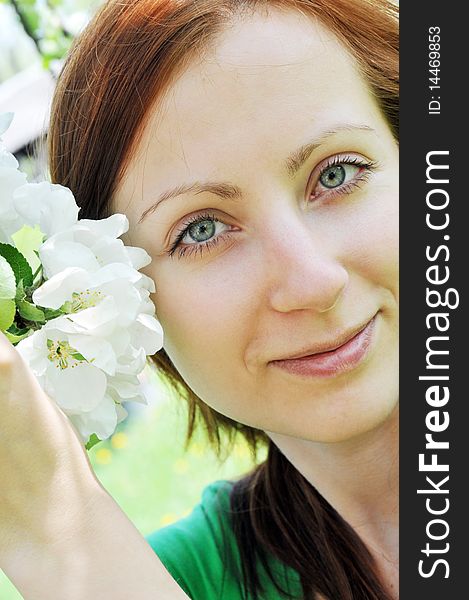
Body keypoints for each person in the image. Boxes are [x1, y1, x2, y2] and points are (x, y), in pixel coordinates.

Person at [0, 0, 399, 598]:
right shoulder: (159, 579)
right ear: (128, 304)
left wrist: (60, 534)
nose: (313, 281)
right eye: (202, 230)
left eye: (337, 173)